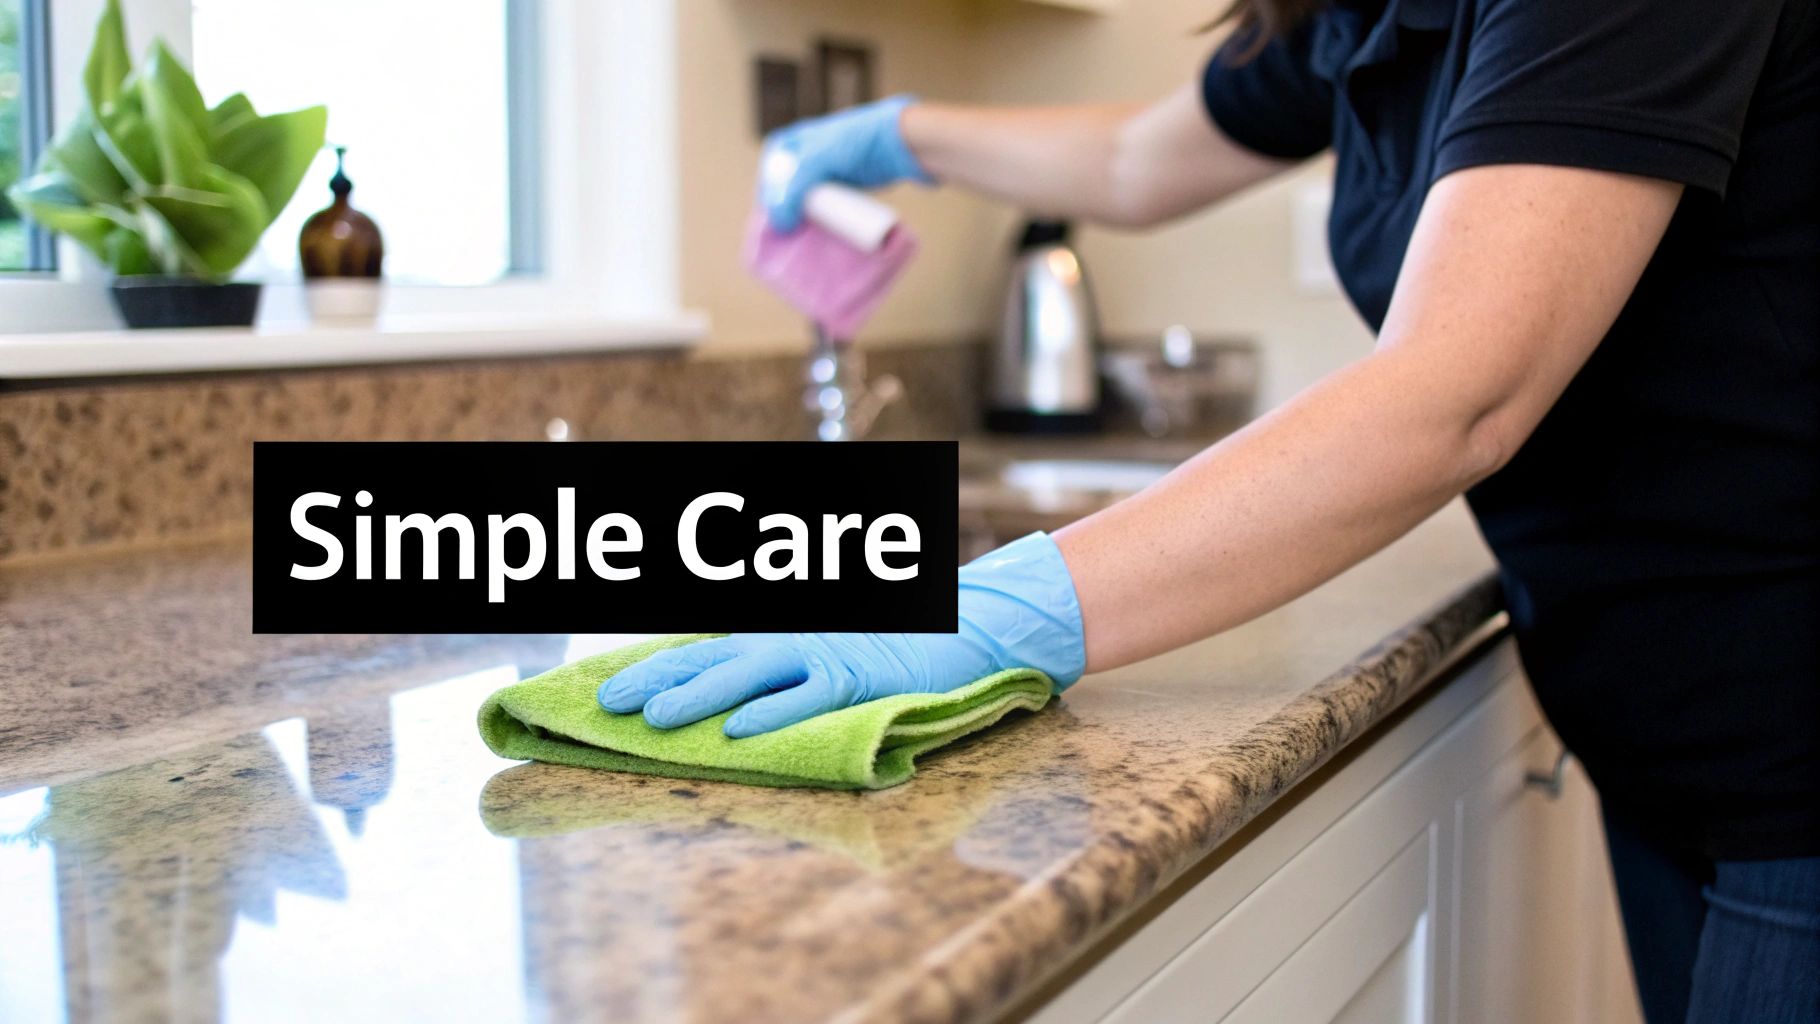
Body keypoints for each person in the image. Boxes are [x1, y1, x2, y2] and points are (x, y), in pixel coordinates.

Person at [599, 0, 1819, 1018]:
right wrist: (899, 135)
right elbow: (1139, 157)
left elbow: (1456, 391)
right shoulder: (1364, 11)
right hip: (1672, 737)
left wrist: (993, 611)